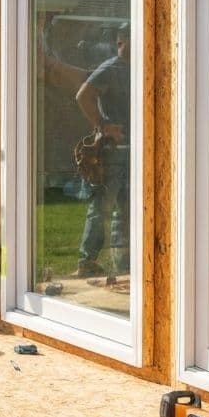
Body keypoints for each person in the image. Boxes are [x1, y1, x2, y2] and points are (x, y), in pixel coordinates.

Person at [75, 22, 131, 279]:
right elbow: (83, 95)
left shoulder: (140, 67)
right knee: (102, 208)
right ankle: (87, 261)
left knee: (127, 210)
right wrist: (103, 125)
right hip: (112, 151)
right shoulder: (111, 68)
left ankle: (125, 265)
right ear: (120, 41)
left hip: (134, 150)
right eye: (129, 39)